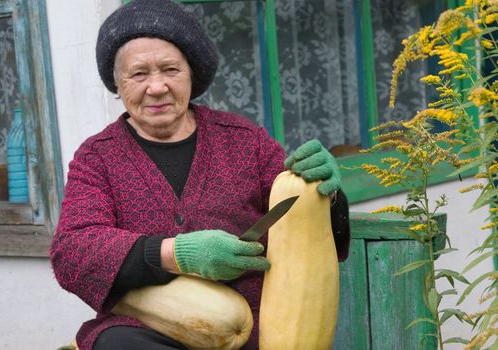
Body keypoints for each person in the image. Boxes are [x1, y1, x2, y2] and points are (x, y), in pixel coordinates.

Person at [50, 0, 350, 349]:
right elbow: (72, 251)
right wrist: (175, 253)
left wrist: (326, 194)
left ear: (192, 74)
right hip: (146, 330)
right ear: (117, 84)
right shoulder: (96, 157)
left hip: (255, 329)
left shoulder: (245, 140)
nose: (157, 86)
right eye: (138, 74)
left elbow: (300, 215)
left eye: (170, 69)